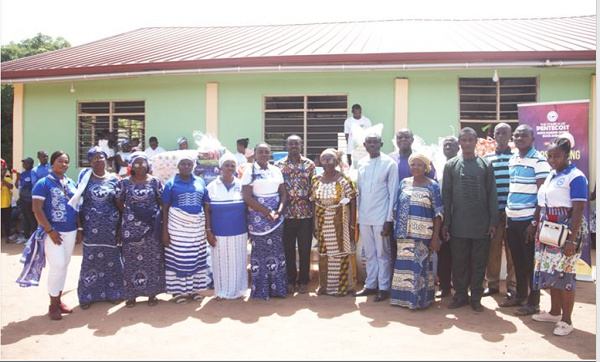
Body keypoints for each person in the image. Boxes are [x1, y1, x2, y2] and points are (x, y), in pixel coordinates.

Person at [530, 137, 588, 336]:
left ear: (567, 155)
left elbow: (579, 208)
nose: (552, 159)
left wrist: (571, 239)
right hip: (547, 233)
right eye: (550, 156)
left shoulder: (576, 176)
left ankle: (567, 320)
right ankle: (554, 312)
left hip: (566, 233)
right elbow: (542, 203)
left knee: (565, 274)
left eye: (557, 156)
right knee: (550, 272)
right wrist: (533, 223)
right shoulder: (551, 175)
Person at [442, 127, 498, 312]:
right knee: (459, 261)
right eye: (463, 140)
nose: (467, 143)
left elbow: (492, 194)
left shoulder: (485, 164)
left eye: (470, 140)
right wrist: (446, 222)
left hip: (481, 224)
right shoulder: (451, 165)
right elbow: (447, 196)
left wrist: (492, 222)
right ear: (459, 143)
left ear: (476, 142)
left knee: (479, 262)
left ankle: (476, 297)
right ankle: (460, 296)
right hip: (459, 224)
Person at [500, 125, 551, 316]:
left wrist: (534, 223)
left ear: (532, 138)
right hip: (511, 219)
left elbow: (542, 196)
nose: (520, 138)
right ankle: (520, 296)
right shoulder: (513, 158)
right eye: (517, 135)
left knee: (530, 263)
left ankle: (534, 302)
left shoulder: (539, 161)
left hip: (528, 221)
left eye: (524, 135)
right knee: (518, 261)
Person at [71, 147, 124, 309]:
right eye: (94, 158)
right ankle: (88, 296)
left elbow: (120, 204)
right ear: (90, 161)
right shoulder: (84, 178)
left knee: (112, 260)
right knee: (90, 260)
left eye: (101, 157)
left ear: (106, 159)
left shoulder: (115, 179)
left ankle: (114, 293)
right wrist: (79, 228)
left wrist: (121, 227)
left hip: (110, 228)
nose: (98, 160)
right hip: (91, 227)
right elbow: (78, 204)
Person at [31, 151, 80, 320]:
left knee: (64, 265)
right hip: (53, 232)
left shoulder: (71, 182)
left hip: (71, 230)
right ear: (52, 164)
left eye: (66, 162)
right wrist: (50, 230)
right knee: (57, 265)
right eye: (60, 161)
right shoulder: (43, 183)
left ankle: (58, 300)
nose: (64, 165)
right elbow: (36, 209)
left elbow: (76, 206)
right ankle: (52, 305)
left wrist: (79, 228)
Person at [390, 153, 443, 309]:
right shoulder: (404, 183)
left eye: (419, 165)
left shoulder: (432, 186)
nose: (415, 167)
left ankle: (419, 301)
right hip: (404, 234)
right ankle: (402, 299)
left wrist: (435, 237)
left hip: (423, 235)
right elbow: (396, 207)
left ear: (426, 167)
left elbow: (438, 213)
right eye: (413, 164)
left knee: (420, 268)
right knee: (403, 268)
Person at [115, 151, 165, 307]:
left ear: (148, 165)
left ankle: (151, 294)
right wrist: (130, 213)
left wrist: (153, 217)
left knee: (152, 259)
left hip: (151, 228)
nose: (140, 166)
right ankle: (131, 295)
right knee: (131, 261)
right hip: (130, 229)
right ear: (131, 166)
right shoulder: (123, 183)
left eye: (143, 163)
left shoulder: (155, 182)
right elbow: (118, 201)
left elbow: (161, 201)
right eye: (136, 163)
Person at [162, 153, 212, 304]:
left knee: (196, 257)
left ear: (193, 166)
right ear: (178, 166)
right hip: (177, 227)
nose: (186, 166)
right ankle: (177, 291)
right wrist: (164, 231)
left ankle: (194, 290)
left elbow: (206, 206)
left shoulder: (200, 182)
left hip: (197, 227)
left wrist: (207, 228)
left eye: (189, 164)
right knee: (178, 258)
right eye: (183, 164)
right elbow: (164, 208)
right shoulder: (170, 184)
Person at [354, 133, 399, 302]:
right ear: (365, 145)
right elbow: (359, 191)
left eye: (375, 142)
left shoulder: (389, 164)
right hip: (365, 216)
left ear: (381, 143)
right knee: (370, 253)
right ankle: (371, 285)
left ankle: (384, 287)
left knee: (383, 253)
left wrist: (389, 219)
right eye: (369, 142)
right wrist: (358, 217)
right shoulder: (362, 163)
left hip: (382, 216)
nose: (372, 145)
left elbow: (393, 193)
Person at [388, 128, 437, 282]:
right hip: (399, 219)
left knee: (420, 259)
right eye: (399, 137)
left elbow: (432, 189)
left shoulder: (421, 159)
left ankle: (419, 293)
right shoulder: (390, 159)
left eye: (406, 137)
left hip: (420, 221)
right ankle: (397, 288)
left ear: (412, 139)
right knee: (398, 254)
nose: (403, 139)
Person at [241, 143, 288, 300]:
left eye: (267, 152)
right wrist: (267, 212)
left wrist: (278, 211)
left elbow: (283, 194)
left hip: (276, 219)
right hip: (258, 218)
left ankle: (278, 289)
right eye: (260, 152)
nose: (264, 155)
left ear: (271, 154)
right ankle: (261, 290)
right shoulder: (249, 171)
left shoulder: (276, 170)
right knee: (260, 254)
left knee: (276, 251)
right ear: (254, 154)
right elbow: (247, 197)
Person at [310, 148, 358, 296]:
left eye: (330, 160)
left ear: (337, 162)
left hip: (341, 222)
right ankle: (325, 286)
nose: (327, 163)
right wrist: (314, 225)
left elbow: (353, 201)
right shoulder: (316, 180)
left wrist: (352, 226)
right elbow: (313, 202)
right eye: (324, 160)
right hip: (323, 223)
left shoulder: (344, 180)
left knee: (341, 253)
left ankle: (342, 287)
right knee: (324, 254)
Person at [275, 135, 315, 294]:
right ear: (286, 145)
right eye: (290, 144)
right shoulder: (278, 165)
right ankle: (290, 279)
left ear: (301, 145)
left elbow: (313, 188)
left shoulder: (310, 165)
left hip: (305, 214)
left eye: (296, 144)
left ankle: (303, 280)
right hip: (287, 215)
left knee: (305, 249)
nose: (293, 146)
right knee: (288, 249)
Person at [205, 153, 248, 300]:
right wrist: (208, 231)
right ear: (220, 167)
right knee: (220, 262)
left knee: (238, 263)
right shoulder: (211, 187)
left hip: (239, 232)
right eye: (226, 165)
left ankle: (239, 291)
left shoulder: (242, 186)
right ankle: (221, 292)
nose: (229, 168)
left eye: (232, 165)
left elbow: (248, 209)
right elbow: (207, 212)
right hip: (219, 233)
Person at [482, 123, 517, 299]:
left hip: (513, 214)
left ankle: (512, 286)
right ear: (493, 136)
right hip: (493, 215)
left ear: (510, 136)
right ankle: (493, 284)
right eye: (498, 133)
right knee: (492, 252)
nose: (501, 136)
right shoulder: (486, 158)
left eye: (505, 133)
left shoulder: (518, 158)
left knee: (512, 252)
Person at [436, 136, 459, 298]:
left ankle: (460, 288)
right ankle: (444, 287)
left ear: (458, 148)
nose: (448, 147)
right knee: (443, 254)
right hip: (442, 216)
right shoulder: (438, 165)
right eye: (446, 144)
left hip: (459, 217)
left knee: (459, 255)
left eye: (452, 144)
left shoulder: (462, 165)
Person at [17, 157, 37, 243]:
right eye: (24, 163)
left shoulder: (33, 173)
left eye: (26, 163)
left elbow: (33, 185)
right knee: (24, 217)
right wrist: (18, 178)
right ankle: (26, 236)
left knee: (31, 217)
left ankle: (33, 237)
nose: (24, 165)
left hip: (30, 199)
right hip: (23, 198)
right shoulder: (23, 174)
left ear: (30, 164)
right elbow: (17, 186)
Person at [1, 159, 14, 244]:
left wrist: (2, 179)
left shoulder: (8, 179)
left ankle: (8, 237)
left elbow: (10, 186)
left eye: (1, 170)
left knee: (6, 222)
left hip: (6, 204)